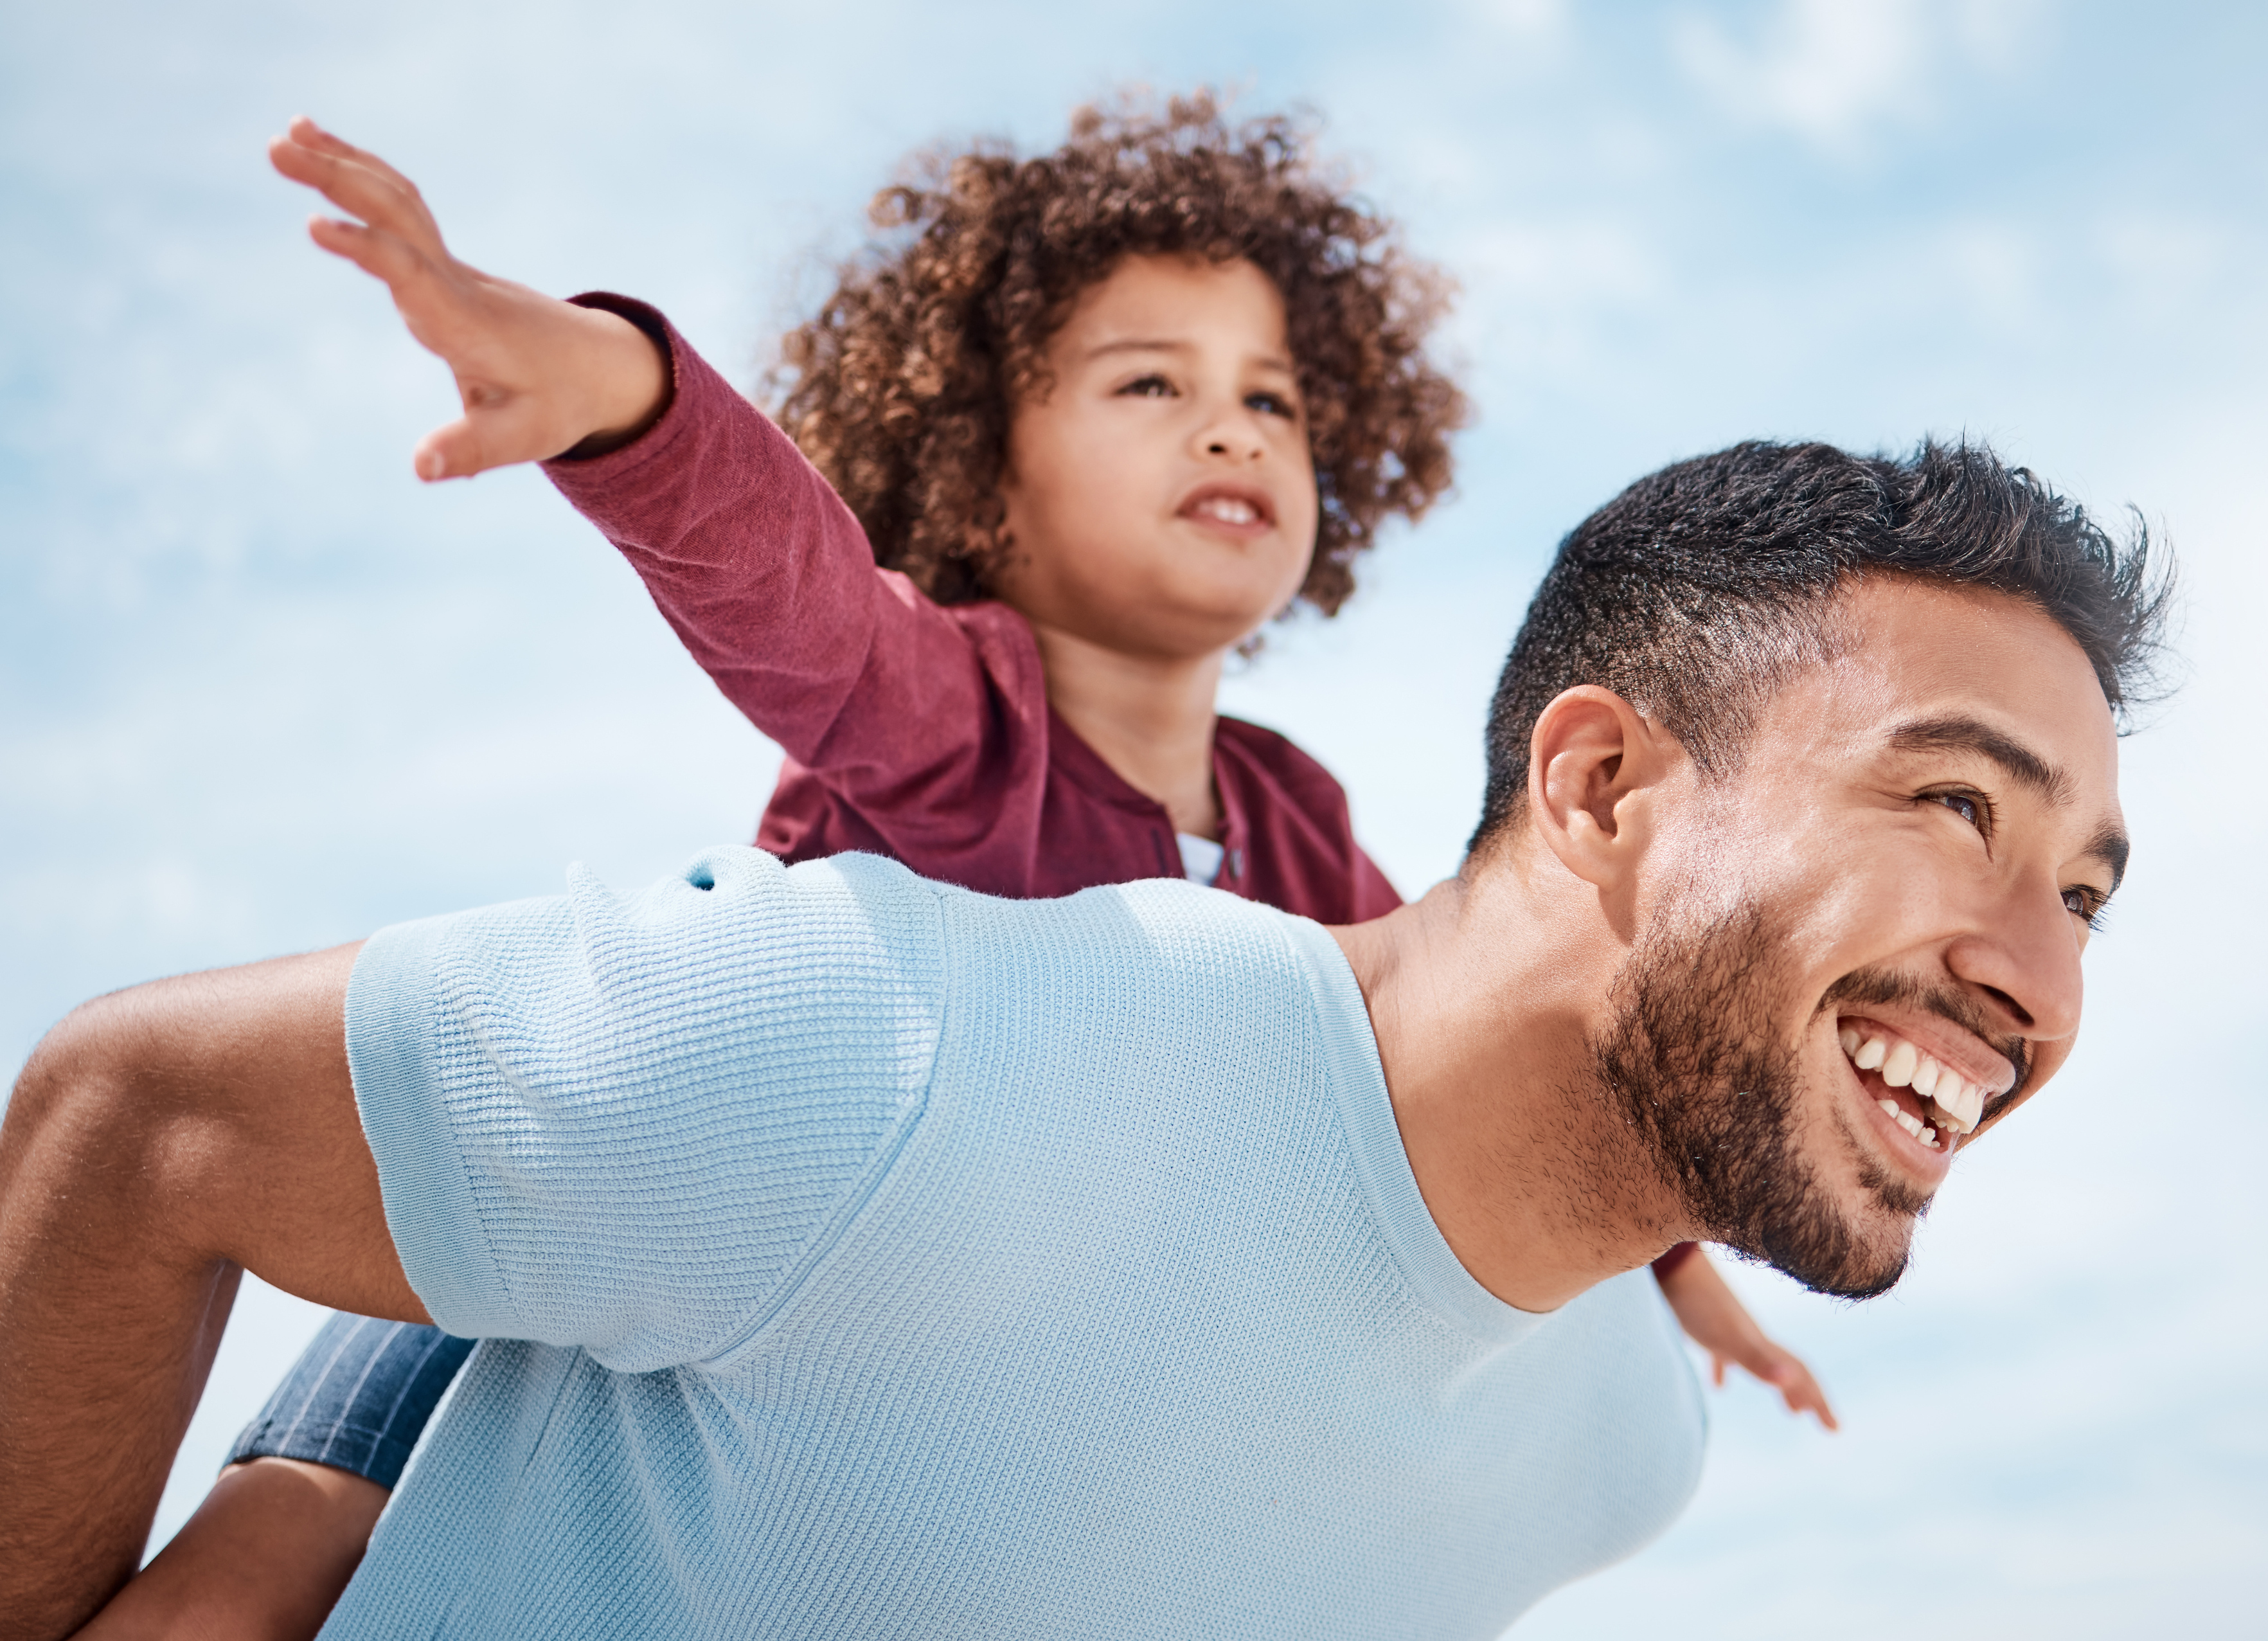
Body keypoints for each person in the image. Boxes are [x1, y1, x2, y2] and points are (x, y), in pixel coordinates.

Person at [0, 380, 2167, 1637]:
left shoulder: (1617, 1453)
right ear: (1596, 782)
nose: (2039, 980)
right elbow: (138, 1115)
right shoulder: (906, 1037)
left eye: (2081, 886)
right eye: (1952, 803)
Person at [85, 100, 1832, 1641]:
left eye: (1270, 399)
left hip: (882, 1394)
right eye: (1150, 383)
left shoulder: (1297, 826)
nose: (1227, 429)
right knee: (249, 1577)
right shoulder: (945, 712)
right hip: (596, 1265)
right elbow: (797, 595)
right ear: (982, 479)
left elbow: (1494, 1028)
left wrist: (1677, 1271)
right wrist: (620, 399)